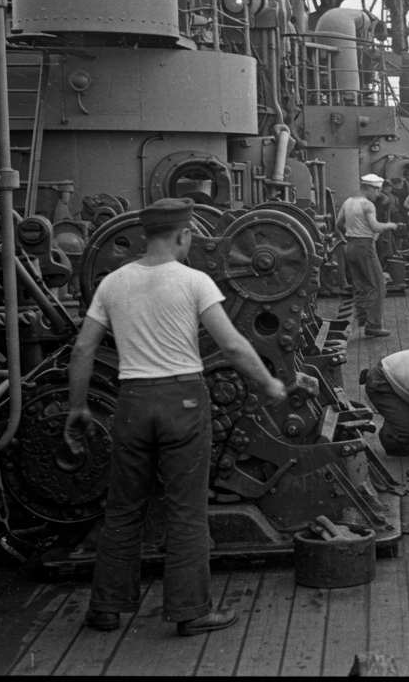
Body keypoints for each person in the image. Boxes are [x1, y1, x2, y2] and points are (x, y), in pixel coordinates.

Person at [64, 198, 288, 637]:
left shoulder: (112, 282)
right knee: (186, 511)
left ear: (145, 235)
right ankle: (190, 610)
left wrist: (77, 406)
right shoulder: (194, 281)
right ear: (184, 235)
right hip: (182, 398)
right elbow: (233, 346)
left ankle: (106, 608)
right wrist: (270, 384)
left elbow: (83, 348)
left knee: (124, 508)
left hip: (131, 401)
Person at [336, 174, 400, 338]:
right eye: (377, 189)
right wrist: (390, 225)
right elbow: (375, 227)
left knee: (362, 285)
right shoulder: (367, 204)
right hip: (364, 246)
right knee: (378, 285)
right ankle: (374, 325)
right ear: (369, 188)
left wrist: (349, 234)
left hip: (350, 246)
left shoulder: (348, 202)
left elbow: (338, 224)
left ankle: (363, 319)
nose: (378, 194)